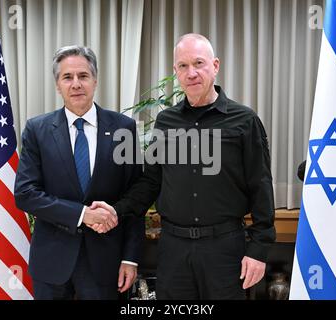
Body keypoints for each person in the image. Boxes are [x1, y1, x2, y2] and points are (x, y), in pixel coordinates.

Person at [93, 33, 276, 300]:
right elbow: (151, 182)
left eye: (198, 63)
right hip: (173, 250)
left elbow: (261, 185)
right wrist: (117, 211)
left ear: (215, 66)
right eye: (183, 66)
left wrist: (258, 251)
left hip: (225, 249)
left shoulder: (244, 120)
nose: (191, 73)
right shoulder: (166, 122)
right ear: (176, 72)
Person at [14, 46, 144, 299]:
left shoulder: (123, 128)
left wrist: (131, 257)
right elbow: (26, 194)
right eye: (67, 77)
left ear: (95, 81)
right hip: (52, 261)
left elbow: (135, 196)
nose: (76, 84)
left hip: (106, 263)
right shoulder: (37, 130)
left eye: (83, 76)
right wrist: (82, 215)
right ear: (57, 85)